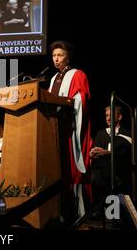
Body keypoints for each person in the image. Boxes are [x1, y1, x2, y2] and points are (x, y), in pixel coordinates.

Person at [48, 40, 92, 220]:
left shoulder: (77, 74)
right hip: (55, 129)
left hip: (70, 129)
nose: (56, 59)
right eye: (53, 56)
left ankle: (79, 214)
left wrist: (68, 104)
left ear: (68, 57)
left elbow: (82, 98)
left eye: (60, 55)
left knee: (71, 169)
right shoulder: (53, 79)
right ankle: (58, 213)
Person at [90, 106, 132, 205]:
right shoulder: (101, 134)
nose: (108, 118)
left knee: (115, 212)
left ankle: (114, 218)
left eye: (111, 115)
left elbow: (126, 155)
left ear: (119, 117)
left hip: (119, 177)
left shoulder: (127, 134)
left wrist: (108, 153)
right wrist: (92, 153)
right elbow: (96, 151)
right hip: (102, 177)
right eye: (106, 116)